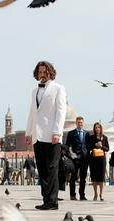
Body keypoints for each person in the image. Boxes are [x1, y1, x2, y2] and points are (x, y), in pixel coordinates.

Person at [25, 61, 66, 210]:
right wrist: (28, 132)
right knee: (42, 169)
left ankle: (53, 202)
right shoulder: (34, 91)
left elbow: (61, 112)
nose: (42, 74)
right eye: (40, 72)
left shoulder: (58, 88)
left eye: (45, 71)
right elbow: (32, 112)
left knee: (52, 168)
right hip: (37, 135)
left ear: (50, 72)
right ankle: (46, 200)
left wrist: (57, 132)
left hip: (52, 135)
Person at [65, 116, 89, 201]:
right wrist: (71, 155)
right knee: (73, 177)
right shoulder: (71, 133)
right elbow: (67, 146)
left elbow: (88, 146)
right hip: (75, 159)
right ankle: (72, 195)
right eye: (78, 122)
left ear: (83, 123)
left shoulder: (87, 133)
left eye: (81, 122)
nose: (80, 124)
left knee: (83, 178)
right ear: (76, 123)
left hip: (85, 159)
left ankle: (82, 195)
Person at [87, 122, 109, 201]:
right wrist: (95, 145)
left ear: (101, 128)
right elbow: (88, 147)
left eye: (98, 127)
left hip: (102, 159)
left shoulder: (105, 137)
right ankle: (95, 194)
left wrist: (101, 146)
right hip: (93, 159)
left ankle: (101, 194)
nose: (97, 129)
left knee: (101, 178)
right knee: (94, 178)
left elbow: (107, 148)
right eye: (96, 127)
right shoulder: (91, 137)